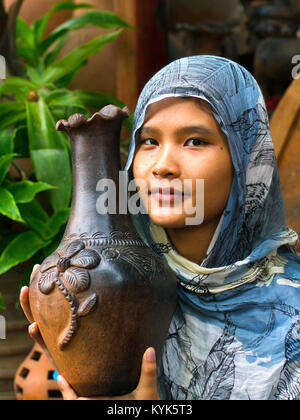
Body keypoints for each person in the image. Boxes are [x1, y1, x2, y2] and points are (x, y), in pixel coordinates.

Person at [20, 55, 300, 400]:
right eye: (149, 141)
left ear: (247, 162)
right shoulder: (117, 289)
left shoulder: (293, 318)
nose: (163, 165)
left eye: (195, 141)